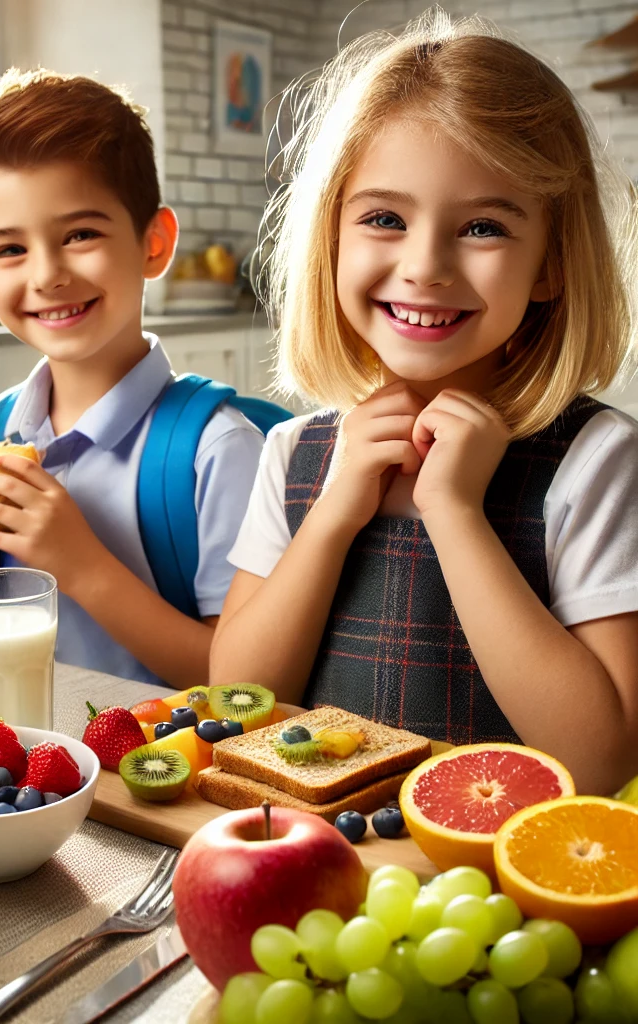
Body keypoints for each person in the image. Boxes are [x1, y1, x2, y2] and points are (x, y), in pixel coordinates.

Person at [210, 13, 638, 795]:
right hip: (323, 868)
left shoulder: (595, 461)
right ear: (331, 236)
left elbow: (602, 761)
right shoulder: (299, 454)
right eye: (384, 219)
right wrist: (337, 510)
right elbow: (237, 706)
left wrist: (457, 513)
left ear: (551, 264)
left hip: (500, 892)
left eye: (482, 226)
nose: (425, 266)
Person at [0, 70, 268, 688]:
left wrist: (78, 564)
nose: (47, 274)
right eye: (9, 250)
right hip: (25, 770)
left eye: (80, 235)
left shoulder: (219, 451)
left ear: (154, 243)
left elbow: (238, 684)